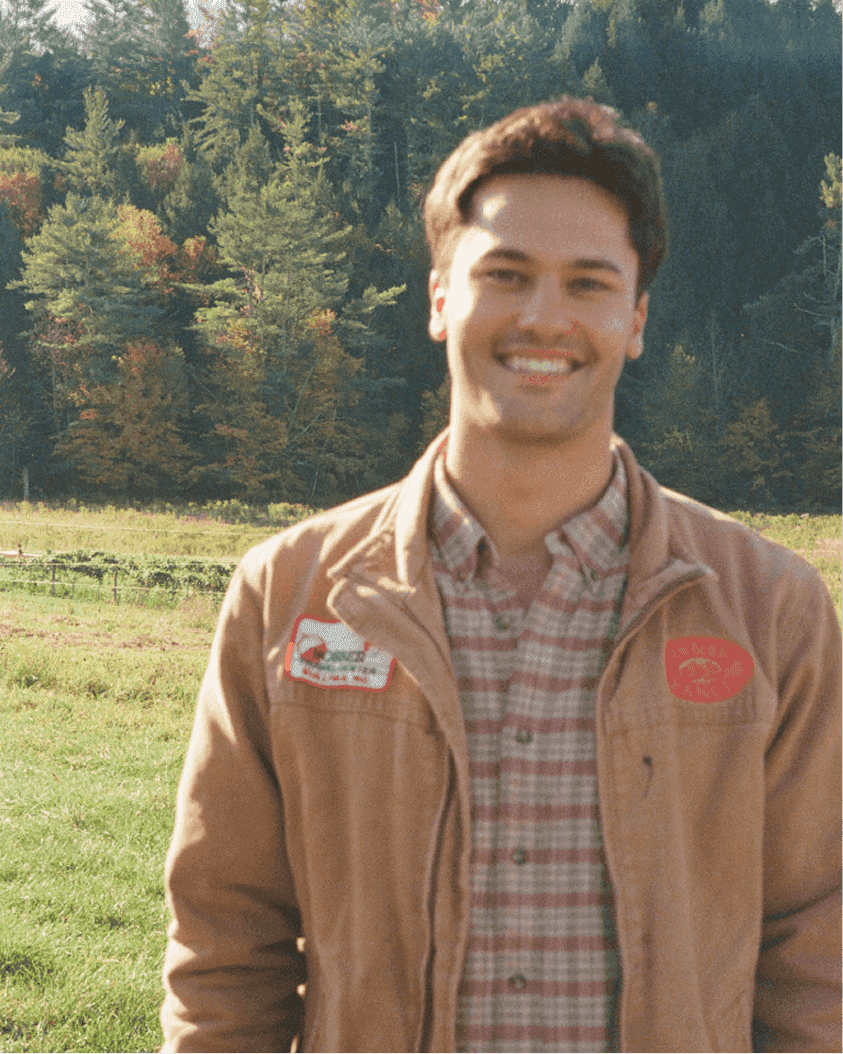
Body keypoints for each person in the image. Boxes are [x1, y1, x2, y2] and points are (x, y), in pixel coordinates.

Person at [160, 98, 841, 1053]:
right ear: (440, 298)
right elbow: (225, 948)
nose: (543, 317)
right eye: (505, 274)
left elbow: (817, 957)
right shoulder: (288, 595)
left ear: (636, 319)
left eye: (588, 283)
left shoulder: (769, 609)